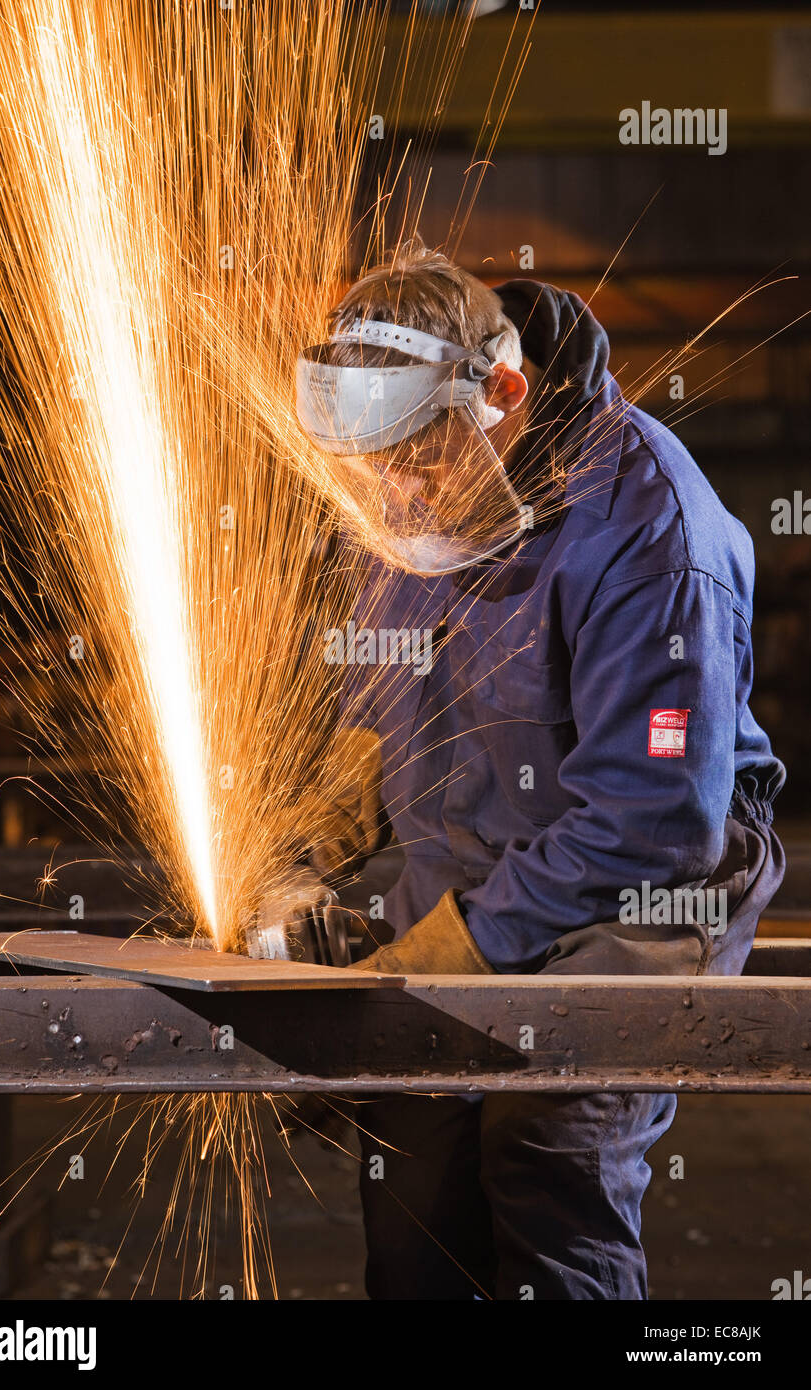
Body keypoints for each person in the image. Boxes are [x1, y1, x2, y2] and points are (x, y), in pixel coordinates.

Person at [292, 240, 786, 1300]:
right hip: (467, 863)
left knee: (538, 1136)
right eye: (367, 464)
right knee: (412, 1156)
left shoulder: (650, 532)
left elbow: (656, 813)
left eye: (413, 460)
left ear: (502, 396)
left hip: (643, 890)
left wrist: (461, 941)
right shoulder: (404, 483)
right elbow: (376, 700)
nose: (391, 491)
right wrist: (324, 819)